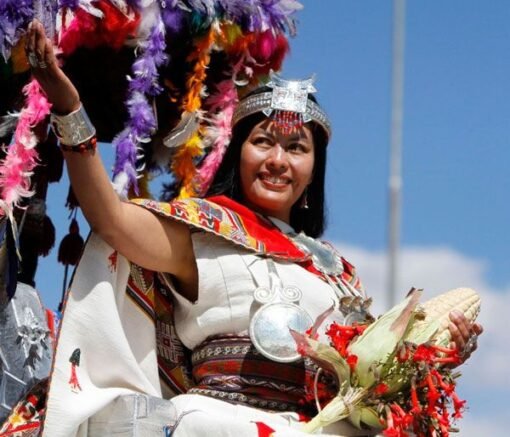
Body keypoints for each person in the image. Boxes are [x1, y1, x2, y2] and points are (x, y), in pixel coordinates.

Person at [23, 19, 482, 437]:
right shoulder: (203, 230)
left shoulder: (338, 273)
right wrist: (69, 109)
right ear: (237, 155)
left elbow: (371, 380)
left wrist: (434, 352)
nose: (278, 160)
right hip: (218, 423)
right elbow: (112, 218)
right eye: (262, 142)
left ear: (313, 171)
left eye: (296, 148)